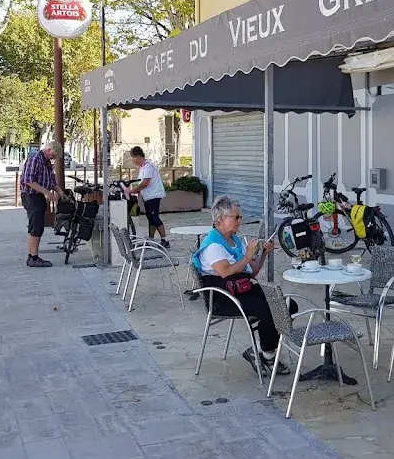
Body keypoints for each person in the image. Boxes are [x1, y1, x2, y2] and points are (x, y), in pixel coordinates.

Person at [193, 196, 295, 376]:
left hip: (242, 289)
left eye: (240, 217)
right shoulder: (213, 246)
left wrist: (262, 253)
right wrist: (248, 255)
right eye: (236, 217)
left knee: (288, 305)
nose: (240, 221)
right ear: (220, 220)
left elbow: (251, 272)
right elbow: (226, 272)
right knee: (271, 310)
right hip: (224, 297)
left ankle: (260, 350)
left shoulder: (234, 240)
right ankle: (268, 356)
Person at [20, 141, 67, 268]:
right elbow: (28, 180)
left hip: (38, 196)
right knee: (36, 226)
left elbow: (51, 181)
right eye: (54, 155)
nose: (54, 158)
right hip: (31, 196)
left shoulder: (46, 163)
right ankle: (33, 257)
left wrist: (59, 191)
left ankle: (32, 255)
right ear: (49, 149)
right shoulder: (35, 159)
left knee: (37, 225)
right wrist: (46, 192)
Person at [121, 146, 170, 248]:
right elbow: (140, 182)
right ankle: (151, 238)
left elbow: (145, 183)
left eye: (133, 159)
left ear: (137, 157)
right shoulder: (143, 167)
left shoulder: (148, 166)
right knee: (150, 217)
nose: (133, 161)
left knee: (154, 217)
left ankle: (165, 239)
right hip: (148, 196)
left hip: (154, 195)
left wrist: (132, 191)